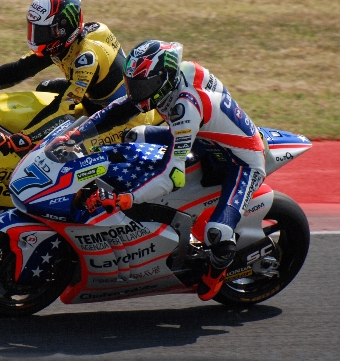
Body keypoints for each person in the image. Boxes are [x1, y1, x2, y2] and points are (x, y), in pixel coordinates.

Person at [66, 39, 267, 301]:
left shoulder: (185, 108)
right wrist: (76, 135)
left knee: (218, 232)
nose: (138, 92)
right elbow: (121, 110)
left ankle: (218, 271)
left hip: (239, 161)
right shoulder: (178, 77)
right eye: (133, 84)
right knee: (134, 135)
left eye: (144, 86)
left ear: (166, 79)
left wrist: (130, 198)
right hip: (204, 140)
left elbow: (172, 176)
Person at [0, 0, 128, 156]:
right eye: (34, 30)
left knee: (61, 149)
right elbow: (21, 69)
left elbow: (64, 109)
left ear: (62, 30)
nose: (37, 38)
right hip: (94, 100)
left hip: (123, 118)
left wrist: (22, 139)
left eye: (43, 32)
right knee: (45, 87)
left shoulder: (86, 58)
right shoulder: (68, 42)